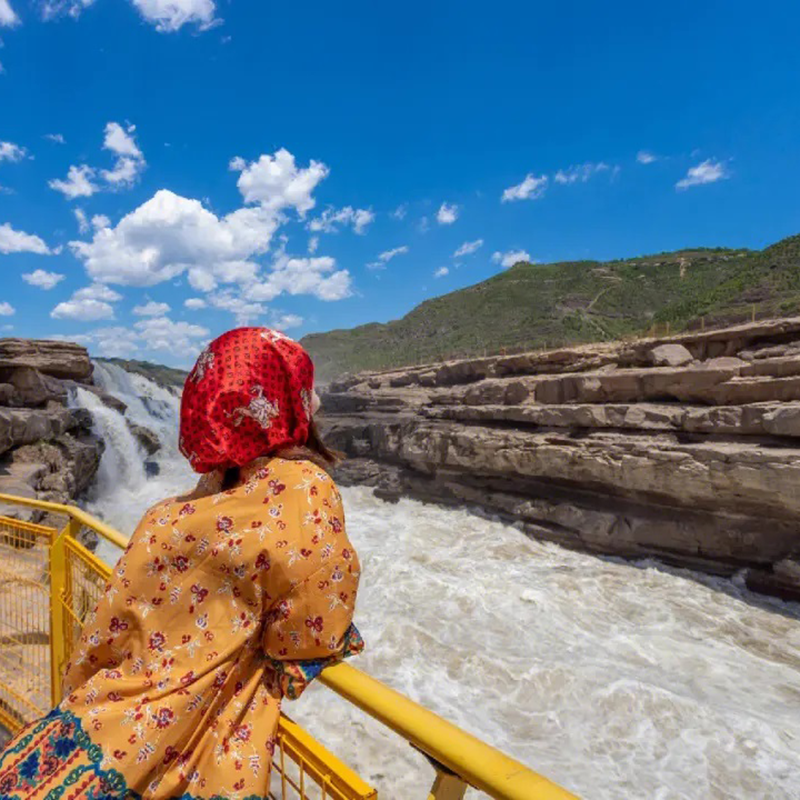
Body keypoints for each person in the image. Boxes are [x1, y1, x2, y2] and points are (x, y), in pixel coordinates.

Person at [0, 327, 363, 799]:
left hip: (80, 740)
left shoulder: (162, 519)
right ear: (285, 401)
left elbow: (101, 644)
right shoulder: (305, 490)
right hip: (192, 761)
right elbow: (310, 635)